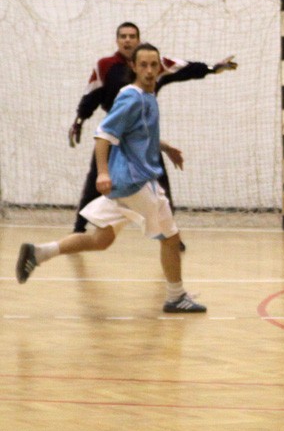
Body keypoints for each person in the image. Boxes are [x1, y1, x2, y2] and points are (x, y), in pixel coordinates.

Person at [16, 43, 206, 313]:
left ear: (160, 68)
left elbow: (139, 134)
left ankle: (38, 252)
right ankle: (176, 297)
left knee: (100, 240)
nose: (149, 70)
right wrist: (103, 172)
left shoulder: (147, 96)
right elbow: (103, 134)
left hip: (125, 185)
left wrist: (165, 147)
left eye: (154, 65)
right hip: (136, 182)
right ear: (133, 67)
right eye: (143, 65)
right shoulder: (132, 97)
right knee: (171, 238)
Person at [69, 22, 237, 239]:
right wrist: (80, 119)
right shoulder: (105, 66)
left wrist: (212, 68)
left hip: (144, 137)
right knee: (97, 178)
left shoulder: (154, 64)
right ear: (117, 40)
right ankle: (79, 229)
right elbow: (91, 94)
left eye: (132, 36)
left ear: (138, 40)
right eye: (123, 36)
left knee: (160, 183)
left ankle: (171, 235)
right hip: (114, 134)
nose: (127, 40)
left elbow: (184, 68)